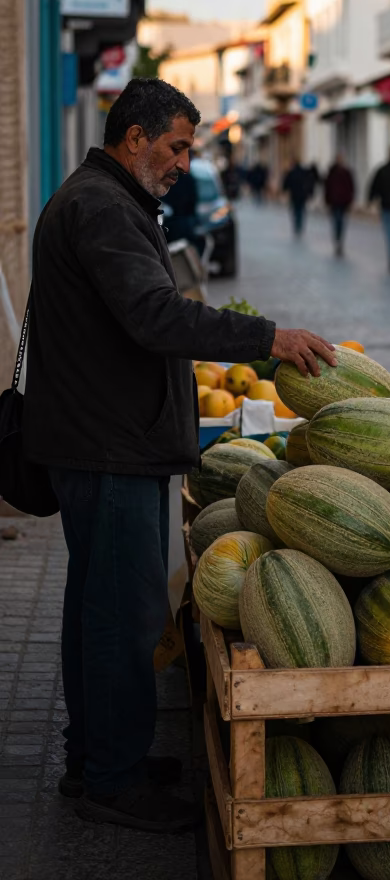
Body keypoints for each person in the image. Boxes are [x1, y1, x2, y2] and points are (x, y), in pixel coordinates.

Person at [23, 78, 336, 833]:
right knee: (125, 615)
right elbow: (153, 315)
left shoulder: (103, 199)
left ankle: (95, 757)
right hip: (108, 444)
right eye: (175, 146)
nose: (181, 161)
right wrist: (268, 339)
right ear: (133, 137)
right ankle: (113, 778)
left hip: (99, 435)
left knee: (97, 609)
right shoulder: (100, 207)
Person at [324, 153, 355, 257]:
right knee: (337, 221)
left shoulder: (346, 172)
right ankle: (338, 239)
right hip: (334, 202)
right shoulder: (331, 172)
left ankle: (339, 240)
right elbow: (327, 187)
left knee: (341, 221)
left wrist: (350, 200)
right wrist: (327, 200)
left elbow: (351, 187)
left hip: (343, 202)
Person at [283, 159, 311, 236]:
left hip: (294, 195)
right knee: (301, 210)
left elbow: (286, 182)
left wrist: (285, 189)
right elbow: (309, 182)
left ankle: (297, 224)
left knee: (296, 210)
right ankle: (299, 224)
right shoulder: (303, 173)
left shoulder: (292, 173)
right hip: (302, 195)